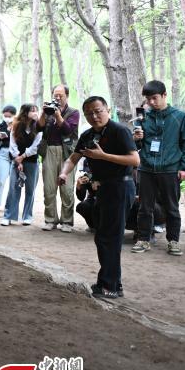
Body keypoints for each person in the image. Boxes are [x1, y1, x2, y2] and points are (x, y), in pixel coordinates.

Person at [59, 96, 139, 299]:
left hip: (120, 186)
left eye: (98, 111)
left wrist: (103, 156)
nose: (94, 116)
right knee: (103, 237)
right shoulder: (87, 135)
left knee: (109, 238)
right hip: (102, 188)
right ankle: (112, 284)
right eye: (89, 113)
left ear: (107, 110)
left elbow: (135, 160)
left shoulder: (119, 131)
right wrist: (64, 173)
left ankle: (109, 286)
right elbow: (73, 158)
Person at [130, 80, 185, 256]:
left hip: (170, 169)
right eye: (148, 99)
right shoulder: (143, 118)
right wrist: (137, 138)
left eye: (154, 98)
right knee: (145, 207)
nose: (151, 102)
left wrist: (184, 168)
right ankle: (143, 239)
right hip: (146, 168)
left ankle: (173, 241)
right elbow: (137, 147)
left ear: (165, 95)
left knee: (172, 207)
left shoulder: (180, 117)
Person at [38, 84, 80, 232]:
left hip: (66, 153)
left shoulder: (74, 112)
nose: (57, 98)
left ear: (66, 96)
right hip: (49, 150)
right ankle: (50, 220)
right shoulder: (49, 111)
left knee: (67, 189)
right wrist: (43, 113)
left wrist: (58, 115)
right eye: (55, 95)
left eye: (60, 95)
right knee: (49, 188)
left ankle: (67, 221)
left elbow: (68, 130)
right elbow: (38, 127)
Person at [1, 104, 42, 227]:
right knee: (13, 189)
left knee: (30, 190)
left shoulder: (39, 126)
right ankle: (8, 216)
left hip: (32, 161)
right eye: (32, 110)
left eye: (36, 110)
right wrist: (17, 159)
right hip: (16, 161)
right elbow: (12, 144)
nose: (35, 113)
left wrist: (23, 156)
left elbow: (36, 146)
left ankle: (27, 216)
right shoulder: (16, 126)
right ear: (25, 112)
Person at [0, 105, 17, 210]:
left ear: (14, 115)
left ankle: (11, 205)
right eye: (5, 116)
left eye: (9, 116)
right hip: (3, 153)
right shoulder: (0, 126)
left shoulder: (18, 125)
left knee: (14, 182)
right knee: (0, 180)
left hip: (16, 154)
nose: (7, 118)